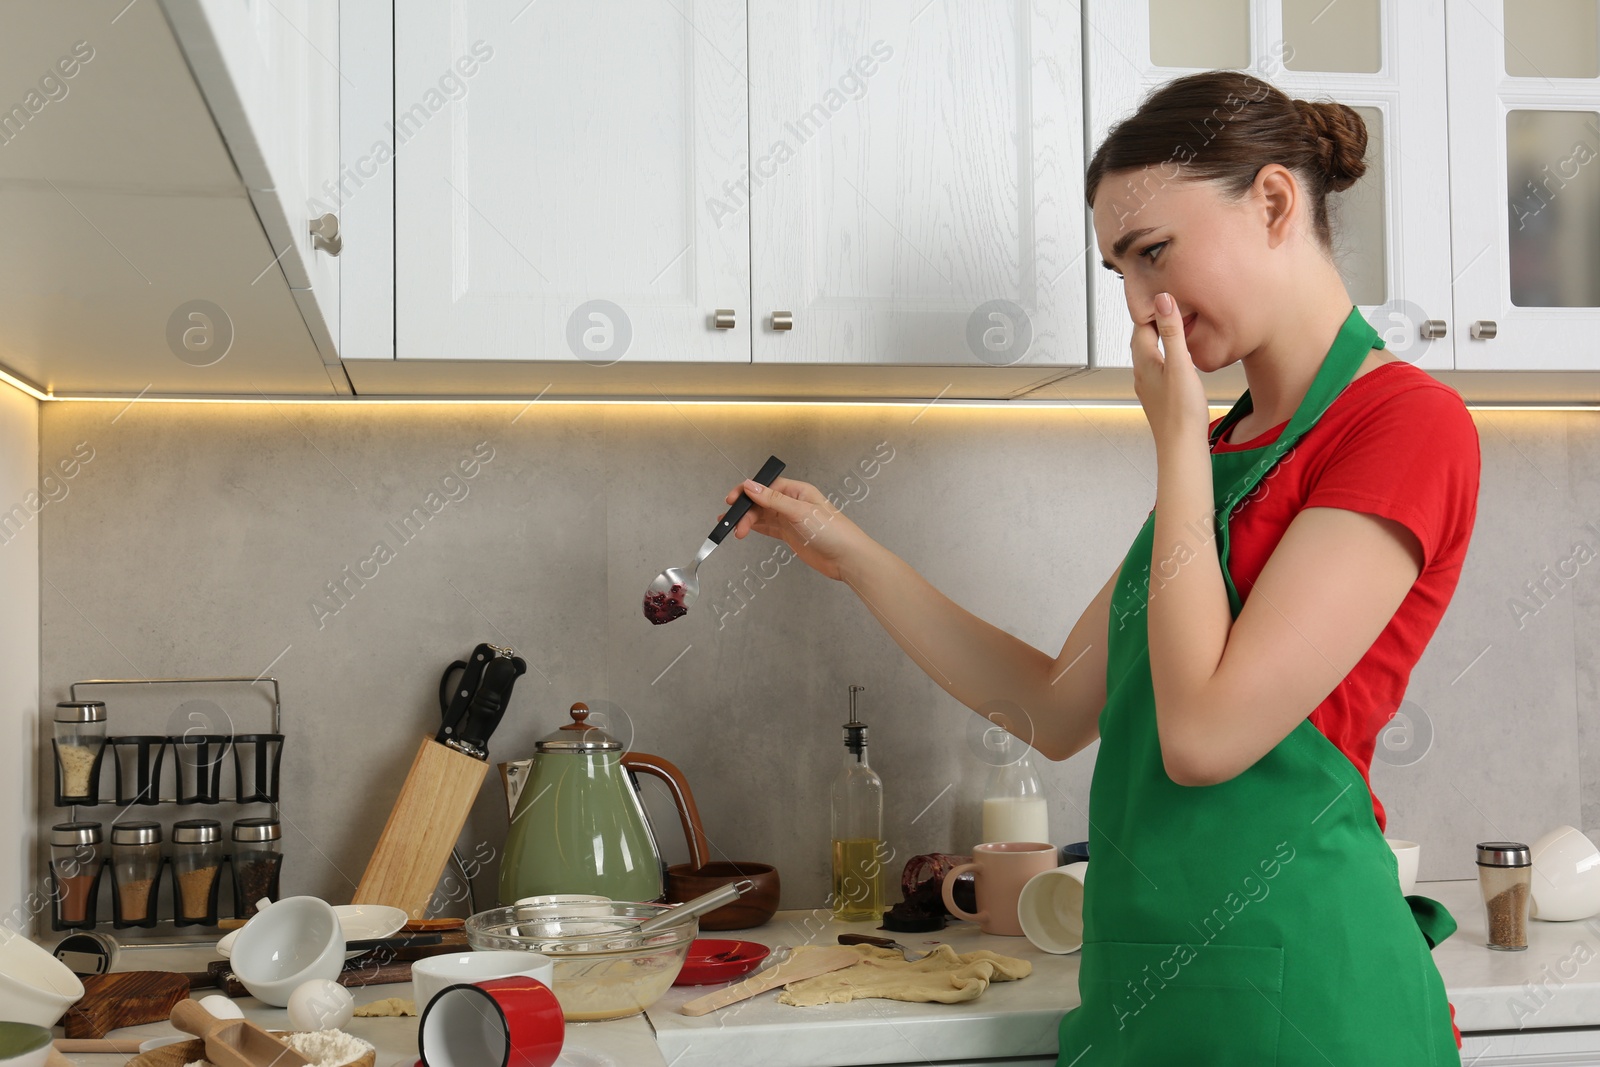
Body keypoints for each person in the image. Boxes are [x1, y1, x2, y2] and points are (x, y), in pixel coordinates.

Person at [722, 70, 1479, 1064]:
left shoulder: (1402, 425)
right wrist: (850, 554)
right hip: (1147, 993)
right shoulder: (1221, 449)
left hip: (1307, 996)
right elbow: (1049, 706)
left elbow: (1204, 736)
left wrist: (1173, 442)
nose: (1135, 303)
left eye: (1152, 253)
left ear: (1273, 201)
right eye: (1116, 270)